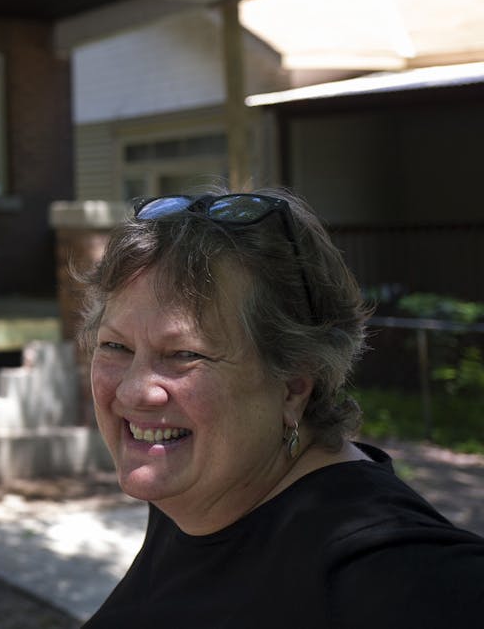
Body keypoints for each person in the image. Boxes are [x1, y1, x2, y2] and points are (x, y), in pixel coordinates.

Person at [78, 187, 484, 627]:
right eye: (115, 345)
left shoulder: (400, 575)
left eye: (184, 354)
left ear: (293, 384)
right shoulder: (197, 497)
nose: (137, 391)